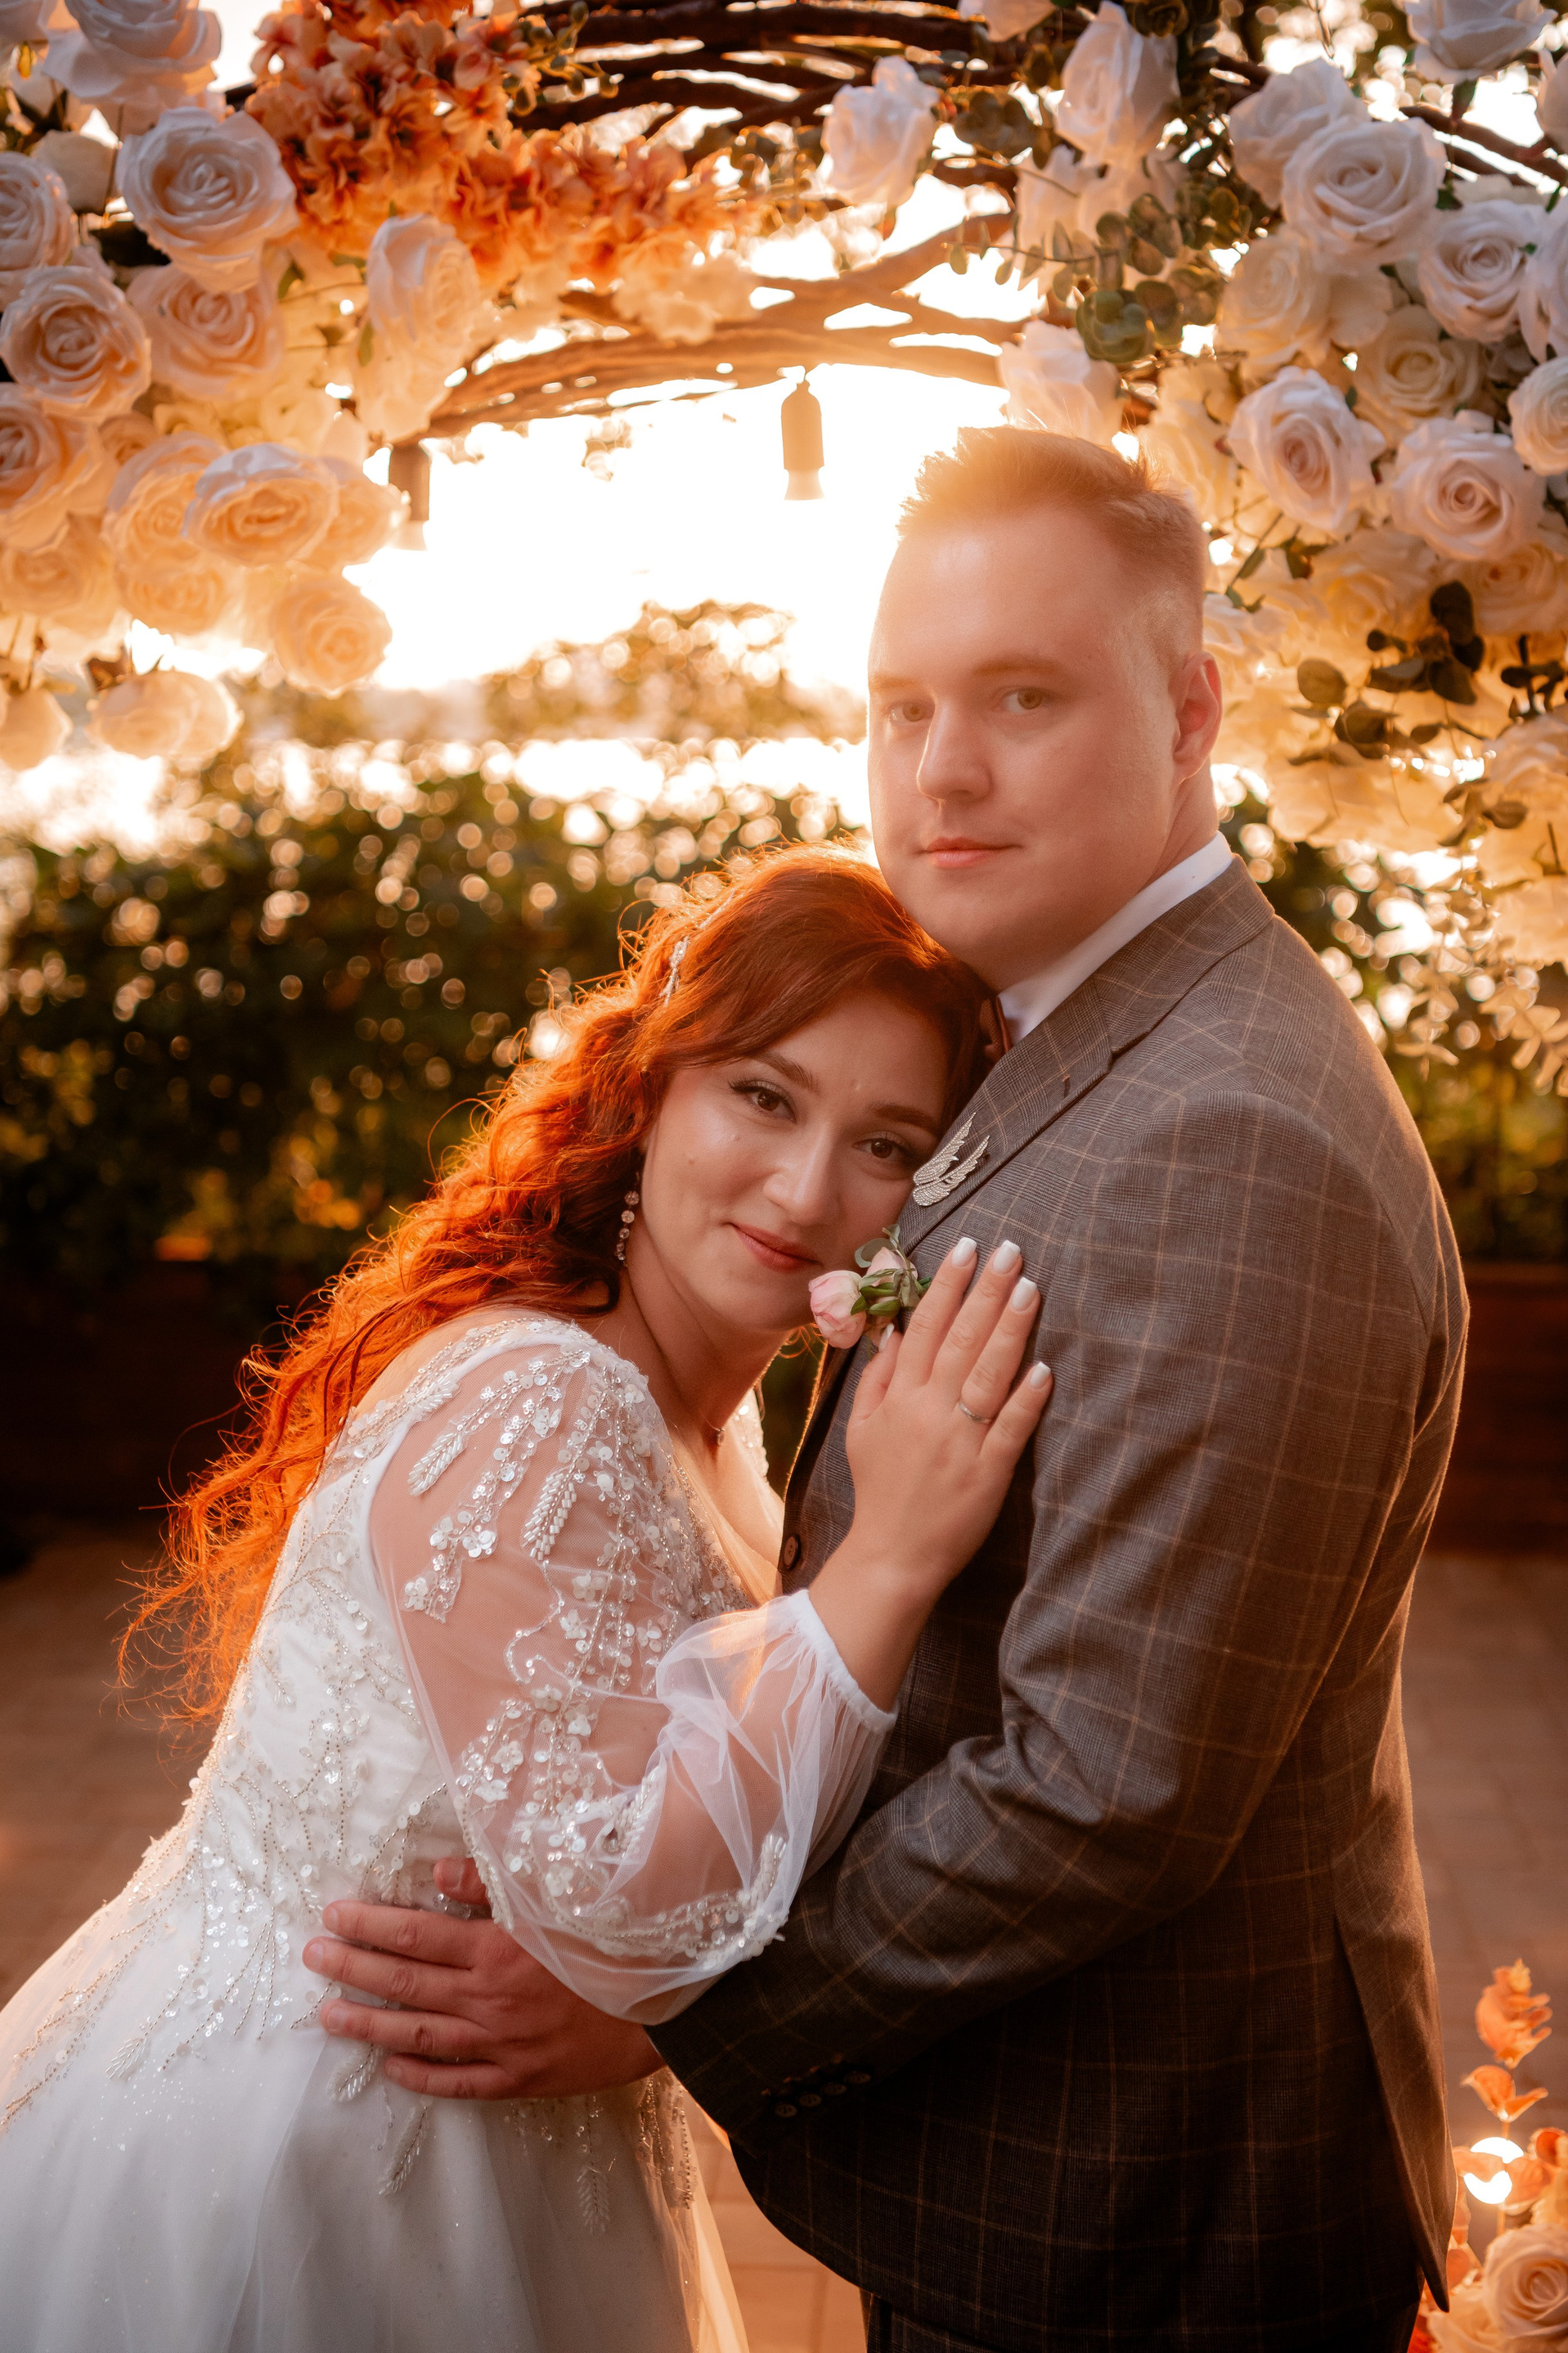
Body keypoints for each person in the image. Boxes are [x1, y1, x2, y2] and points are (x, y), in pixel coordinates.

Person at [312, 430, 1463, 2353]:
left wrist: (675, 2010)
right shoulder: (1093, 1034)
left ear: (1192, 712)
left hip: (1142, 2223)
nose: (942, 770)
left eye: (1023, 697)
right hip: (1048, 2178)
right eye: (903, 705)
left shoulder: (1232, 1134)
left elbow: (1104, 1788)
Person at [0, 848, 1054, 2352]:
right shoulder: (542, 1399)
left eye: (887, 1143)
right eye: (763, 1097)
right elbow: (619, 1917)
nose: (808, 1190)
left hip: (504, 2158)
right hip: (306, 2164)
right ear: (652, 1089)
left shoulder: (714, 1427)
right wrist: (890, 1563)